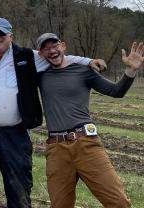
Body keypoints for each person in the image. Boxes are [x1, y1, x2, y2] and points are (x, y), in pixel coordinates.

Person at [0, 18, 106, 208]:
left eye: (1, 35)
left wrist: (88, 61)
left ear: (10, 37)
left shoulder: (25, 56)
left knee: (19, 193)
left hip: (15, 135)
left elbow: (60, 57)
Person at [37, 34, 143, 208]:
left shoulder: (83, 71)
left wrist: (131, 71)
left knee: (119, 203)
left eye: (54, 46)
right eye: (46, 48)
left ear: (63, 46)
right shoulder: (40, 76)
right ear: (40, 54)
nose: (52, 51)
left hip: (86, 144)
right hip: (56, 149)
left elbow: (116, 91)